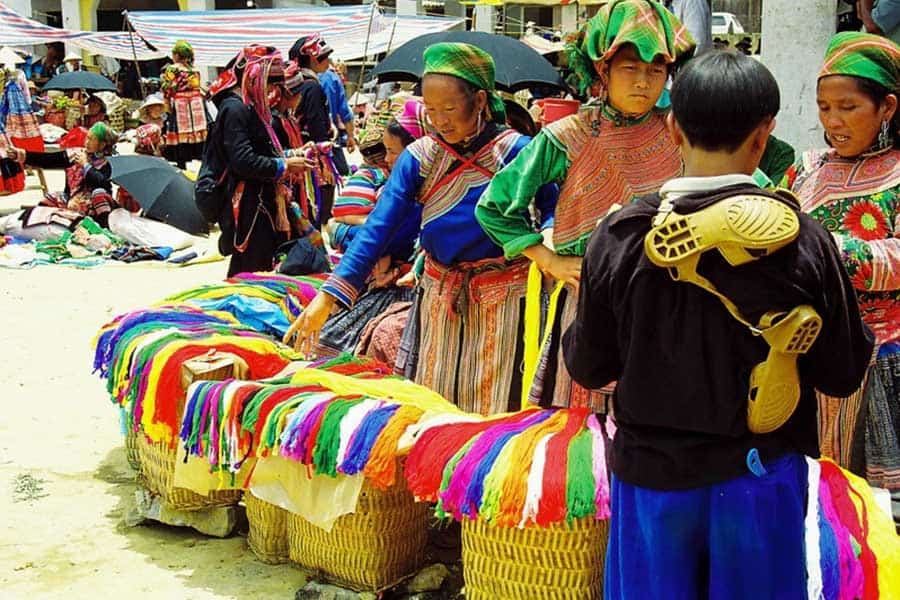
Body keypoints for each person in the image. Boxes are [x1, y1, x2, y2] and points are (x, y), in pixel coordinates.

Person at [565, 50, 873, 599]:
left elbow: (590, 365)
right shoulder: (807, 239)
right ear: (763, 136)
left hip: (651, 476)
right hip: (757, 478)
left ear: (674, 126)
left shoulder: (617, 235)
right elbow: (843, 372)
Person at [284, 43, 558, 415]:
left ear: (479, 101)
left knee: (499, 413)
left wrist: (548, 250)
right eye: (430, 110)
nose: (440, 121)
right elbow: (379, 227)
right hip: (440, 300)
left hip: (508, 299)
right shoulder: (420, 157)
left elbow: (552, 208)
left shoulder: (517, 151)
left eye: (449, 109)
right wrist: (327, 298)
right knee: (437, 410)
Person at [478, 0, 694, 411]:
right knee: (582, 434)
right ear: (603, 70)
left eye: (656, 70)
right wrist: (547, 259)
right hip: (590, 302)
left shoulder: (680, 129)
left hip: (671, 302)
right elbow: (495, 205)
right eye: (630, 68)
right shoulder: (568, 135)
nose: (643, 82)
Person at [783, 32, 900, 492]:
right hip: (803, 360)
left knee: (873, 507)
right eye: (823, 107)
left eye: (848, 107)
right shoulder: (805, 169)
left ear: (887, 107)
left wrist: (823, 249)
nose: (833, 120)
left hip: (879, 362)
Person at [316, 100, 428, 357]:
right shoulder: (397, 187)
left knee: (347, 338)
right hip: (393, 278)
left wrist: (339, 231)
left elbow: (381, 236)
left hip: (412, 285)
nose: (386, 159)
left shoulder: (416, 194)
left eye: (392, 151)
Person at [203, 45, 314, 276]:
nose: (272, 91)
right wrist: (284, 165)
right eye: (269, 84)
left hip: (257, 199)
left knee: (258, 262)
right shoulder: (234, 109)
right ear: (254, 77)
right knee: (251, 265)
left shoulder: (247, 107)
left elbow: (258, 150)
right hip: (246, 204)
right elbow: (242, 160)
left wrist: (291, 156)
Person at [26, 122, 118, 227]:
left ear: (102, 145)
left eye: (91, 140)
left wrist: (85, 165)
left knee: (99, 193)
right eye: (87, 138)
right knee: (52, 198)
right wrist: (23, 155)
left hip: (94, 205)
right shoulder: (76, 154)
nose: (87, 142)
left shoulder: (108, 162)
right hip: (72, 200)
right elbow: (49, 159)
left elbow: (101, 182)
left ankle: (104, 228)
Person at [289, 34, 338, 226]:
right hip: (312, 155)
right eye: (324, 57)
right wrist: (325, 142)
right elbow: (316, 123)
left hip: (296, 151)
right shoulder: (312, 86)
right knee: (318, 207)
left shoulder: (297, 83)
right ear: (311, 58)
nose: (327, 61)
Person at [160, 41, 208, 168]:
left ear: (176, 55)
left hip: (181, 105)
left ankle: (182, 163)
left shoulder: (172, 69)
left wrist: (167, 106)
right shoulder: (194, 70)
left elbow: (167, 89)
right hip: (196, 105)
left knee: (180, 135)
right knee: (197, 133)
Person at [320, 63, 357, 177]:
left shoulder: (302, 75)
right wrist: (350, 136)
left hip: (304, 137)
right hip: (330, 134)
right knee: (340, 173)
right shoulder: (333, 79)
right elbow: (344, 111)